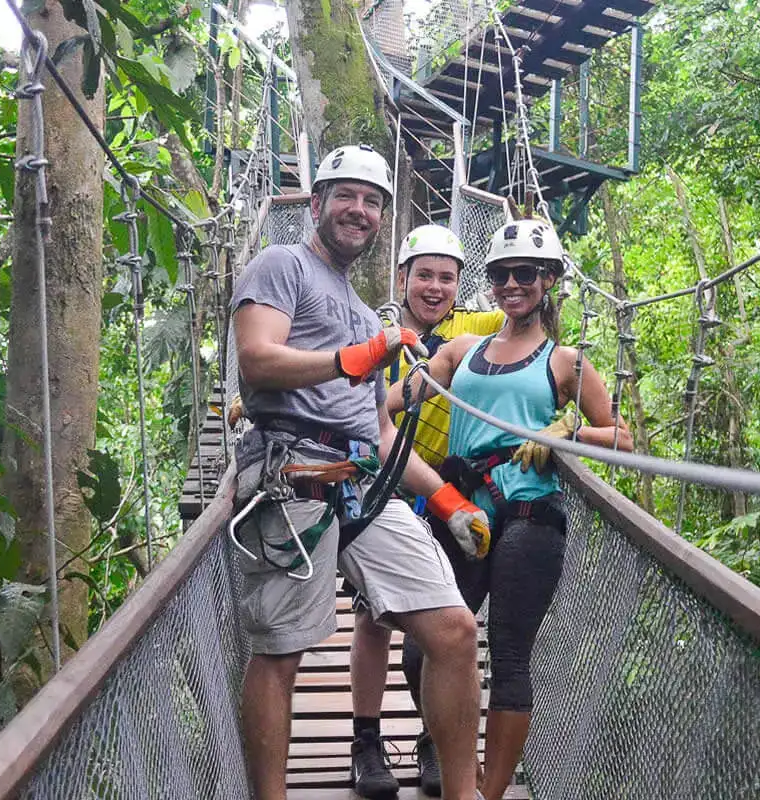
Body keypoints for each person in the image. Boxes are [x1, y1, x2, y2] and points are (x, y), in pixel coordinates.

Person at [227, 145, 493, 800]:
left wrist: (449, 502)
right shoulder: (281, 264)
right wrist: (356, 357)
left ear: (380, 221)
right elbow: (257, 362)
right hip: (291, 478)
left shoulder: (352, 304)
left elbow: (380, 431)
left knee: (455, 632)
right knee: (280, 652)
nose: (360, 209)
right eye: (346, 195)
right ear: (316, 204)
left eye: (373, 200)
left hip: (360, 482)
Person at [410, 218, 631, 800]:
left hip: (531, 513)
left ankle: (488, 793)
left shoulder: (566, 361)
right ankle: (457, 759)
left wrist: (569, 431)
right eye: (502, 274)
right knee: (421, 649)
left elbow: (625, 439)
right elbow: (400, 396)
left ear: (548, 279)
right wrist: (345, 376)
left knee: (508, 655)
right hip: (462, 512)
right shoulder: (460, 350)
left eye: (525, 273)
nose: (513, 284)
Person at [345, 224, 504, 797]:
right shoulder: (377, 332)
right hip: (382, 483)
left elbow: (527, 318)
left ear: (460, 285)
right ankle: (366, 741)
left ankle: (433, 740)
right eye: (425, 276)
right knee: (372, 614)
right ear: (402, 278)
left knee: (441, 620)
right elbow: (335, 384)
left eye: (447, 277)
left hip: (446, 485)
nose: (435, 287)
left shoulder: (475, 327)